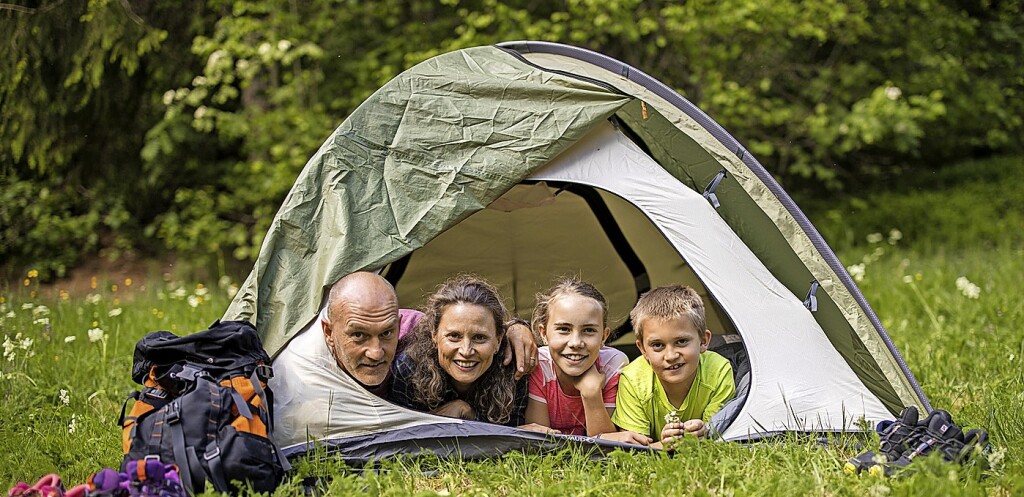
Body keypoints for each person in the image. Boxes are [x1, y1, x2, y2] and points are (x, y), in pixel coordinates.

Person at [318, 272, 538, 398]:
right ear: (329, 332)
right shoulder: (307, 367)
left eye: (386, 333)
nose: (375, 353)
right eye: (359, 335)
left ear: (398, 324)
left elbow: (469, 323)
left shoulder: (416, 331)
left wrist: (516, 327)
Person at [390, 275, 547, 429]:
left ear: (498, 340)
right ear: (434, 336)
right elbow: (403, 435)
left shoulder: (514, 368)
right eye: (454, 336)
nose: (466, 351)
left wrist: (469, 414)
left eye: (479, 337)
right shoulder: (409, 368)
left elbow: (513, 432)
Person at [524, 277, 651, 444]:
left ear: (604, 336)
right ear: (543, 333)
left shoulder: (612, 364)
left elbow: (606, 444)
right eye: (563, 329)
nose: (576, 343)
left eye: (589, 330)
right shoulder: (540, 364)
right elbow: (540, 440)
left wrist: (591, 394)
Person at [610, 285, 735, 449]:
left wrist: (705, 433)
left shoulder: (718, 371)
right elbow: (633, 450)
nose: (671, 356)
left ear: (703, 341)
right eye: (657, 345)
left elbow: (719, 432)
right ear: (642, 349)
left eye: (681, 341)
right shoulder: (633, 380)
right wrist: (663, 445)